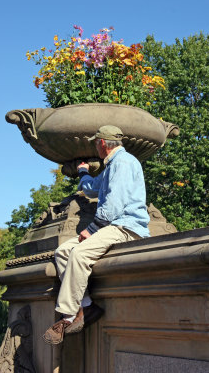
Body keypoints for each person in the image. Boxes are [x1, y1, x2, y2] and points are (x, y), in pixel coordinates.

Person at [43, 125, 150, 345]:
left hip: (126, 227)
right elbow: (92, 189)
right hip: (112, 225)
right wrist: (83, 172)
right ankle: (88, 306)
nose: (95, 146)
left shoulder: (123, 163)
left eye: (95, 142)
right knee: (63, 251)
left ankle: (68, 317)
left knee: (79, 254)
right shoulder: (112, 165)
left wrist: (91, 230)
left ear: (101, 143)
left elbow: (114, 205)